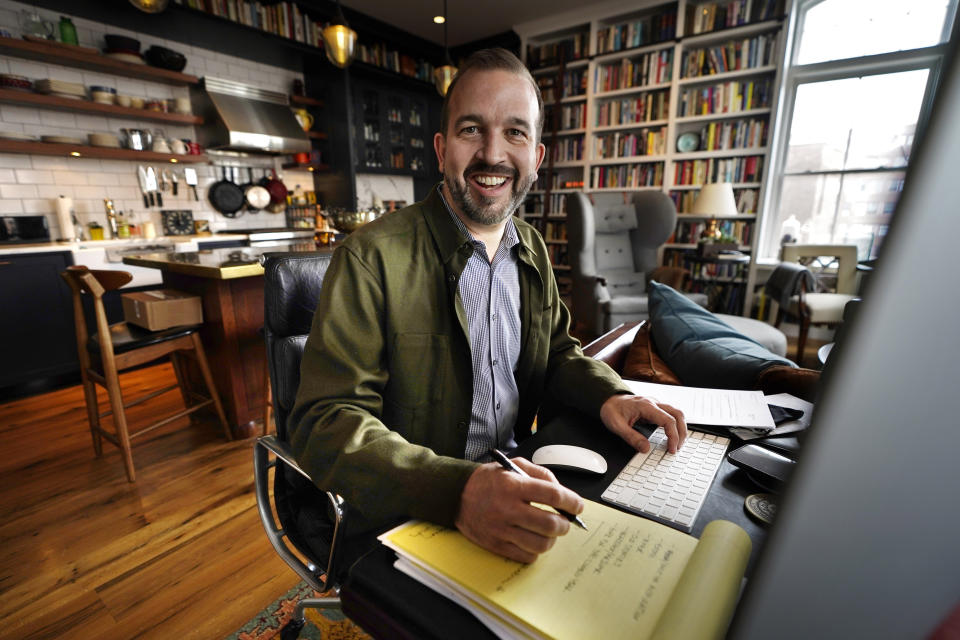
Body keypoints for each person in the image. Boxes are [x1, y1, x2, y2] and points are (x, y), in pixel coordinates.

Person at [289, 48, 686, 564]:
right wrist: (458, 490)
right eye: (471, 129)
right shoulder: (370, 258)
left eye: (515, 132)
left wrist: (611, 396)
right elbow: (325, 420)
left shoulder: (533, 249)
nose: (493, 154)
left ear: (536, 158)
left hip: (514, 472)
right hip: (410, 511)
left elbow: (559, 352)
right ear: (441, 148)